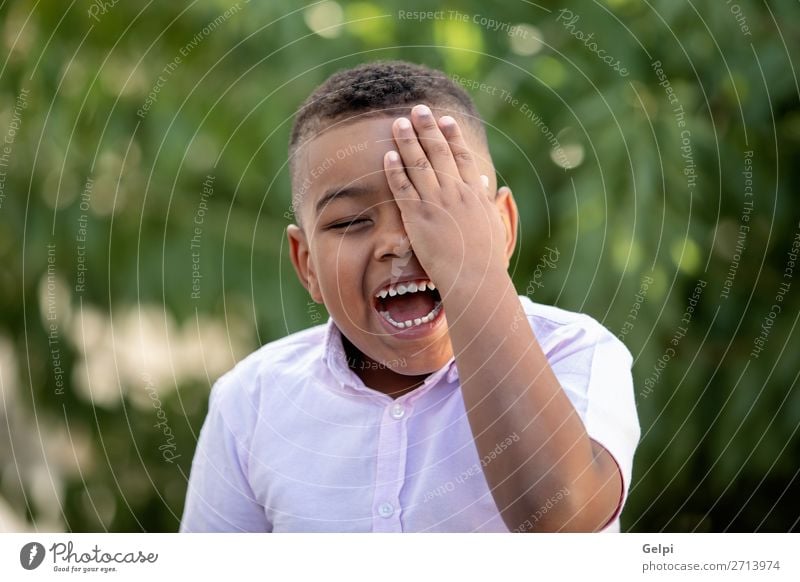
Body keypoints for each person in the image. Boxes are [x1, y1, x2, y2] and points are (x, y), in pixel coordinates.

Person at [180, 60, 640, 533]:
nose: (399, 242)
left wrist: (471, 272)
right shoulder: (252, 402)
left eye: (436, 207)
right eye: (350, 222)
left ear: (499, 228)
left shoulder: (575, 353)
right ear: (307, 265)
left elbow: (560, 519)